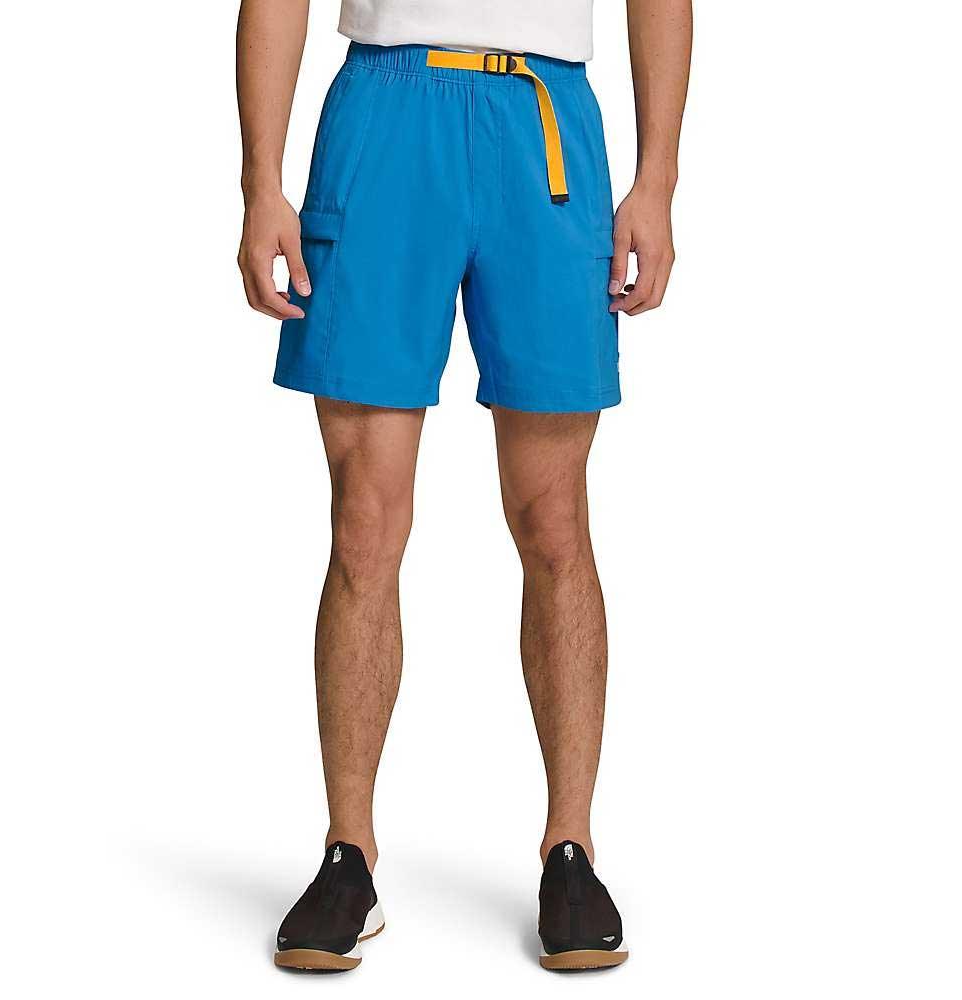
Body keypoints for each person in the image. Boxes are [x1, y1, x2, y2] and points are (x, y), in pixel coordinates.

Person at [236, 0, 691, 972]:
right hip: (385, 109)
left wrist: (656, 179)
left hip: (543, 120)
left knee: (554, 518)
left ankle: (571, 849)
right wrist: (259, 182)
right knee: (364, 520)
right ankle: (347, 855)